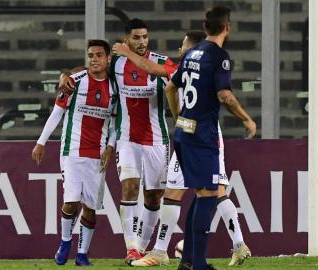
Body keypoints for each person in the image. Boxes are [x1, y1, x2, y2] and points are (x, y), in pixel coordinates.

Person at [113, 30, 252, 267]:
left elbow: (155, 71)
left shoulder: (192, 67)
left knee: (189, 191)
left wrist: (127, 52)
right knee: (209, 189)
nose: (179, 50)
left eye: (183, 46)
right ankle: (237, 245)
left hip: (199, 134)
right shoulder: (198, 68)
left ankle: (161, 252)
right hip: (198, 131)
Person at [58, 18, 178, 265]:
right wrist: (67, 74)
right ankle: (131, 248)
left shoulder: (160, 61)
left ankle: (143, 248)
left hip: (157, 139)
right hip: (127, 138)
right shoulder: (116, 64)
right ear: (127, 39)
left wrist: (128, 54)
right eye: (136, 37)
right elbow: (93, 67)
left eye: (145, 36)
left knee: (154, 196)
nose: (142, 41)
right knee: (130, 188)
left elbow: (163, 73)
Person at [165, 6, 257, 270]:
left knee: (200, 193)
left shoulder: (191, 53)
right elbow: (225, 95)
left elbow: (172, 87)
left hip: (184, 133)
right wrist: (246, 119)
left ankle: (187, 262)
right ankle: (199, 264)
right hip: (202, 135)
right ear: (227, 27)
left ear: (206, 28)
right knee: (207, 196)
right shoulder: (219, 56)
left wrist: (179, 118)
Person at [31, 39, 117, 266]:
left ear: (108, 58)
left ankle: (82, 255)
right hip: (72, 150)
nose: (94, 59)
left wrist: (110, 147)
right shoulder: (74, 82)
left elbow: (116, 123)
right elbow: (57, 113)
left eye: (99, 55)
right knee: (71, 202)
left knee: (90, 207)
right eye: (90, 55)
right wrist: (41, 142)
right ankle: (65, 242)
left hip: (97, 154)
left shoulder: (115, 88)